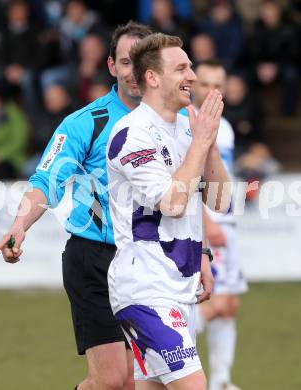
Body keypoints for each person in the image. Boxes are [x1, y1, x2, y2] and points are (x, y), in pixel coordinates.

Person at [0, 21, 152, 390]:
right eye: (126, 62)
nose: (134, 72)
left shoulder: (175, 121)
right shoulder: (85, 123)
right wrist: (19, 225)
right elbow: (46, 180)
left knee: (136, 383)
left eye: (142, 62)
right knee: (111, 381)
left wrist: (201, 252)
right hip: (94, 258)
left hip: (147, 259)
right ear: (111, 66)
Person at [106, 33, 231, 390]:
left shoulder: (186, 128)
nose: (192, 75)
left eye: (191, 65)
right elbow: (173, 203)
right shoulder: (131, 134)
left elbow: (220, 200)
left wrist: (207, 143)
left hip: (179, 287)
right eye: (182, 68)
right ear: (152, 77)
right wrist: (201, 141)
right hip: (145, 288)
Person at [192, 60, 248, 390]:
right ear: (192, 85)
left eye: (219, 84)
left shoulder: (222, 125)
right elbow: (189, 181)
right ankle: (160, 349)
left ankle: (223, 381)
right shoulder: (189, 124)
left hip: (226, 221)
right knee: (217, 303)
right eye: (205, 83)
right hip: (209, 224)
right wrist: (207, 222)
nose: (213, 91)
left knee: (229, 307)